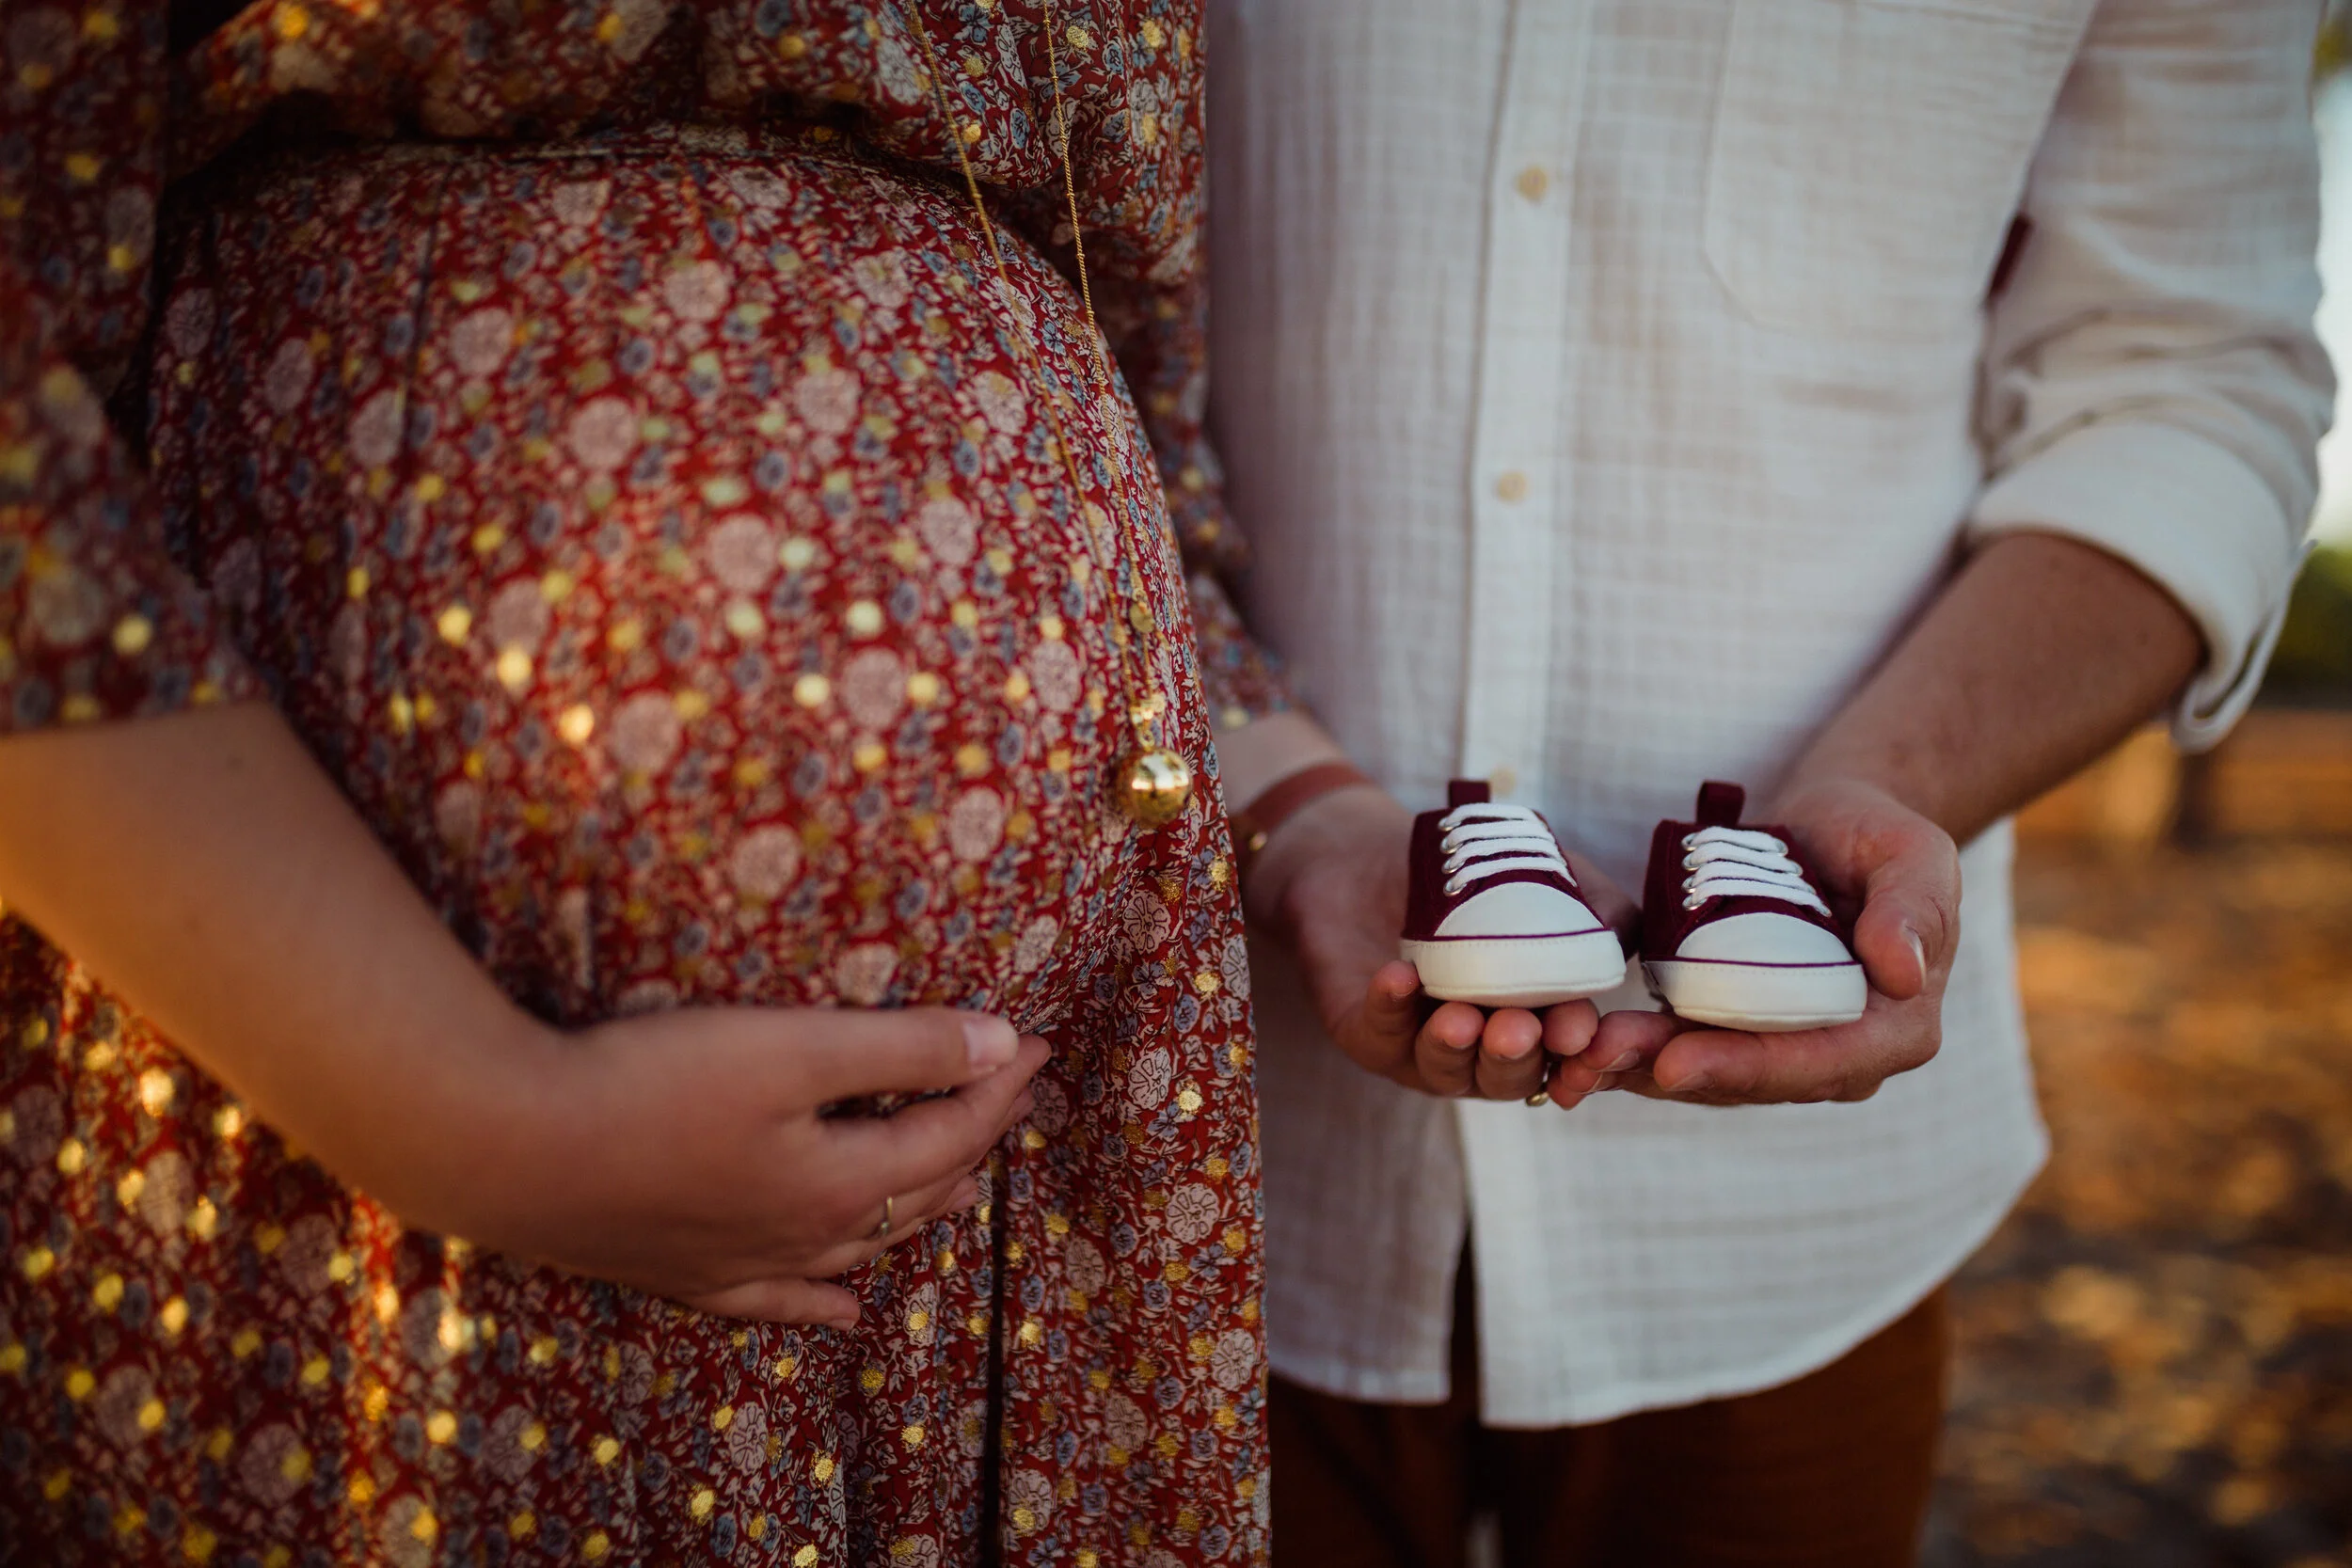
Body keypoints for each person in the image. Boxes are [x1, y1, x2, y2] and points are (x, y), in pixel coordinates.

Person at [0, 4, 1277, 1561]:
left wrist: (1309, 800)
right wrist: (474, 1116)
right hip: (341, 1102)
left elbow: (1146, 358)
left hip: (1028, 1188)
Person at [1200, 1, 2330, 1563]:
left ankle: (1738, 871)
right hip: (1195, 1119)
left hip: (1796, 1234)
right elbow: (1045, 313)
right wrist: (1287, 796)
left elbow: (2190, 380)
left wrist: (1890, 778)